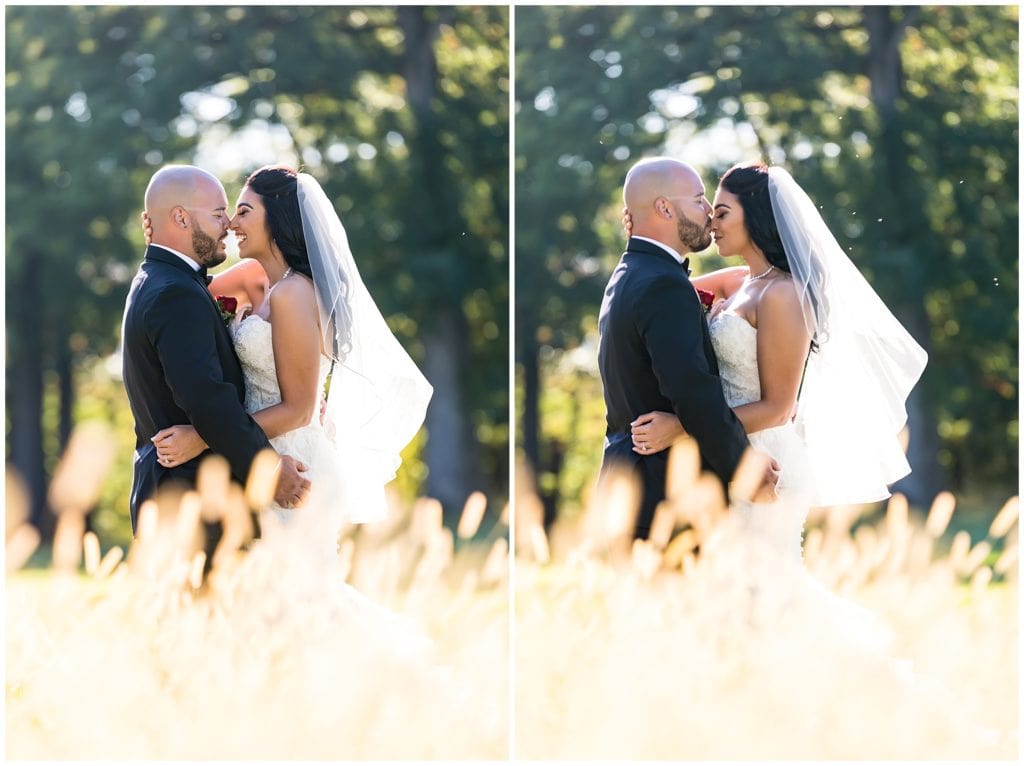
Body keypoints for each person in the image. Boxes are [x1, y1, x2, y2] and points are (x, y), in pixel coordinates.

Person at [627, 160, 928, 561]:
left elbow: (779, 407)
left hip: (768, 459)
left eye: (722, 212)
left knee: (766, 593)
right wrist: (640, 231)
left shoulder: (784, 296)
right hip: (725, 451)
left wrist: (680, 428)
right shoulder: (738, 282)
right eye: (709, 210)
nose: (711, 223)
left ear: (756, 217)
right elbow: (656, 286)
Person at [145, 165, 433, 563]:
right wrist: (161, 237)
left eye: (244, 211)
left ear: (276, 218)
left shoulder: (295, 294)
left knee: (294, 600)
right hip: (251, 453)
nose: (231, 222)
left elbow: (299, 409)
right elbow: (180, 294)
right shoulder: (251, 277)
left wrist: (203, 435)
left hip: (291, 458)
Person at [121, 165, 311, 564]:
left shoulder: (159, 280)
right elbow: (208, 401)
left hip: (184, 502)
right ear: (180, 217)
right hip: (194, 504)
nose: (227, 223)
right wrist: (269, 469)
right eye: (218, 213)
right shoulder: (176, 293)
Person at [597, 157, 779, 541]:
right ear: (664, 207)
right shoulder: (663, 285)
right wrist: (746, 469)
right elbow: (693, 392)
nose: (709, 212)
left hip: (628, 490)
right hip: (664, 496)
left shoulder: (630, 274)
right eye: (699, 199)